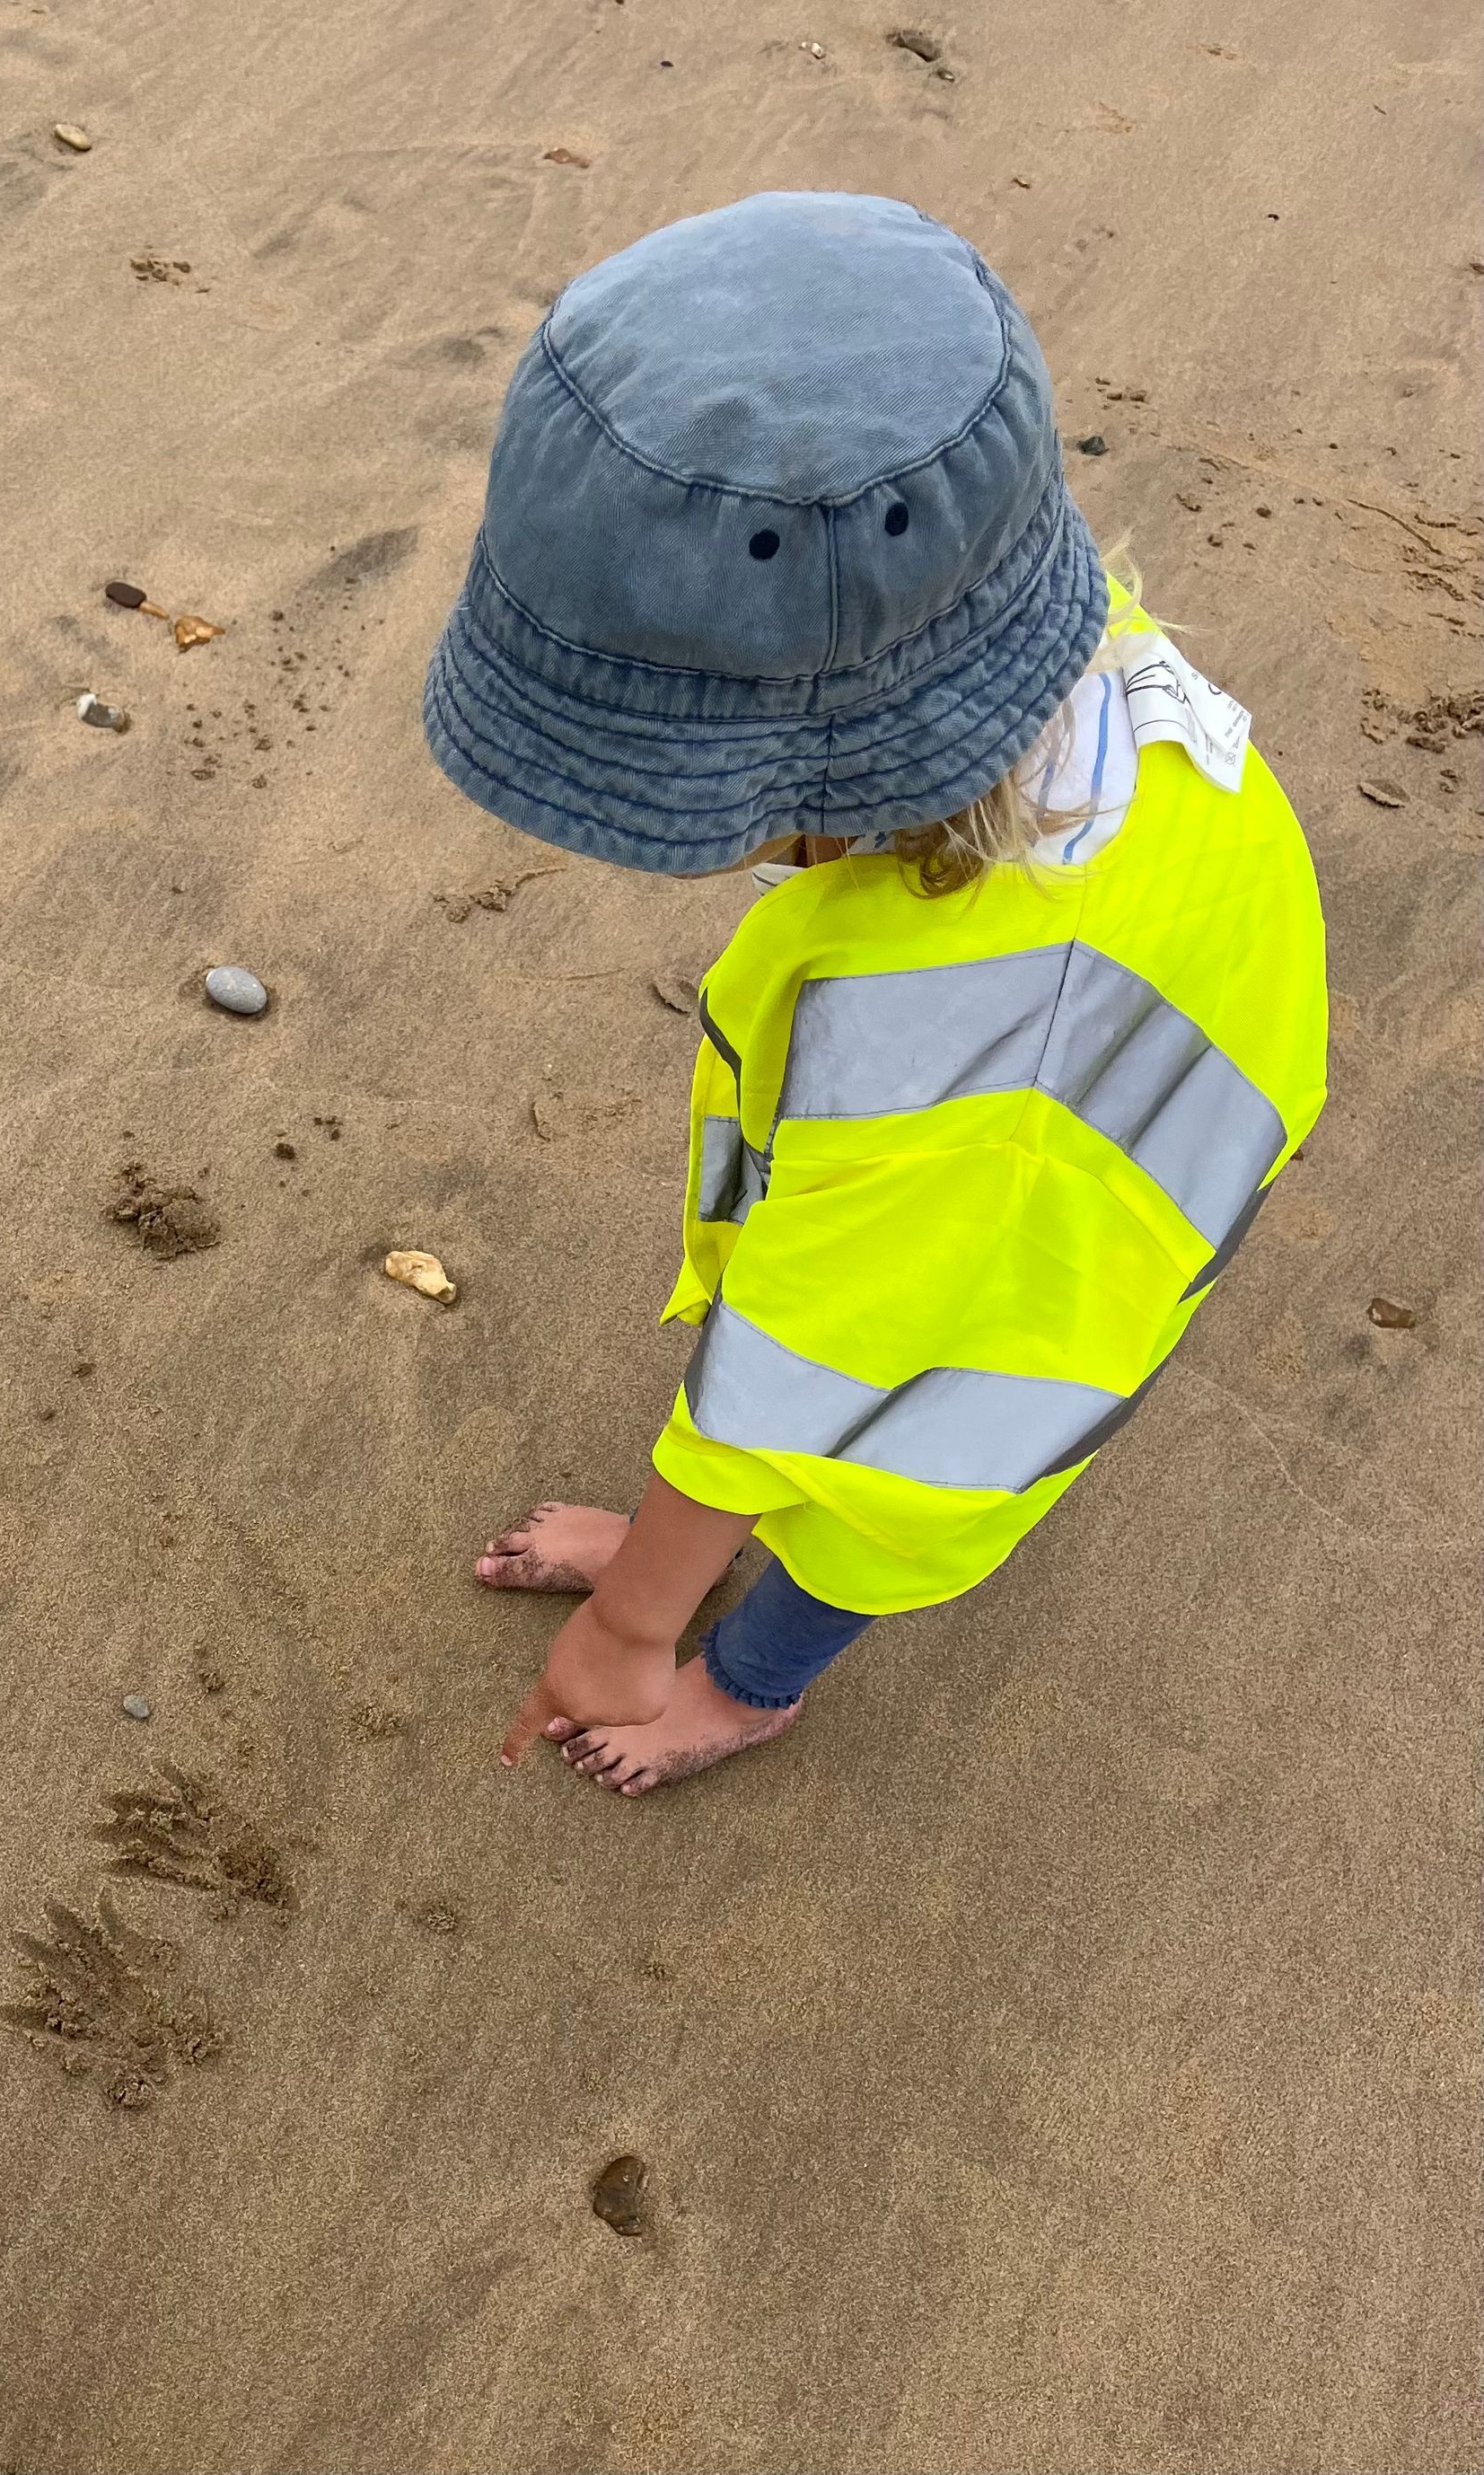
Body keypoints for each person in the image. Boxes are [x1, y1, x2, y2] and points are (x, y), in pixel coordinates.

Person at [423, 191, 1328, 1796]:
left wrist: (635, 1625)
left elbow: (813, 1360)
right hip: (1096, 1067)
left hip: (1041, 1232)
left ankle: (749, 1680)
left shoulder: (954, 1045)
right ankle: (696, 1549)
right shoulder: (1044, 637)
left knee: (878, 1502)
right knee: (800, 1392)